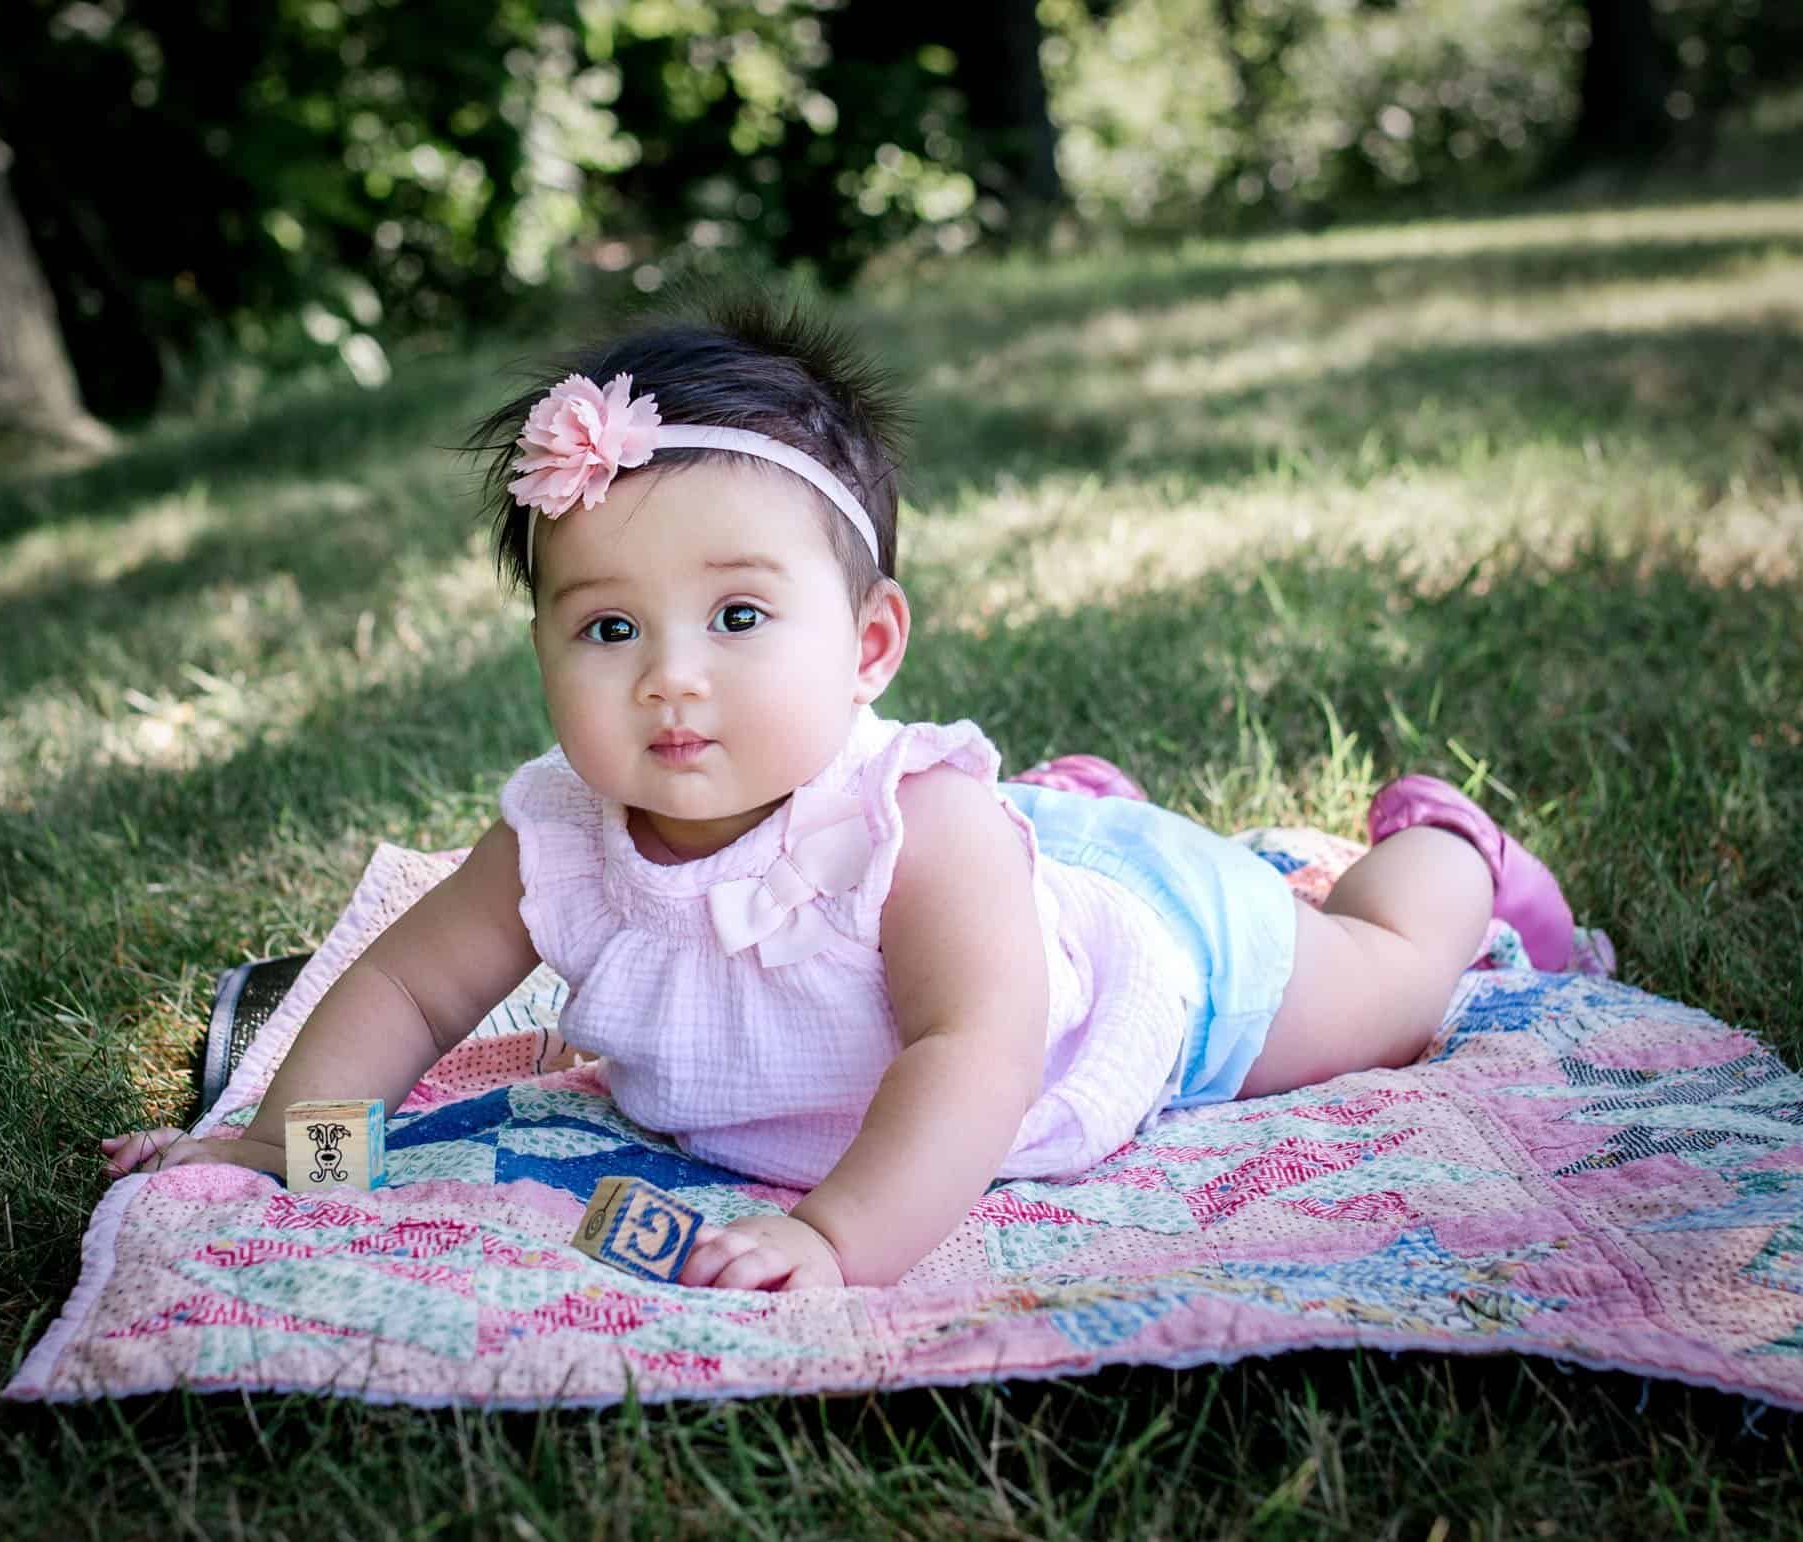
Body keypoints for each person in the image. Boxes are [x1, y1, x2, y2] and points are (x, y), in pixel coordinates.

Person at [100, 291, 1580, 1291]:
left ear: (868, 645)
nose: (669, 678)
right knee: (1010, 886)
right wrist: (285, 1145)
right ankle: (1073, 810)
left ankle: (1444, 847)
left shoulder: (908, 827)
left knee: (1383, 991)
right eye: (609, 627)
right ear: (545, 644)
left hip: (1153, 973)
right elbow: (408, 1004)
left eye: (738, 617)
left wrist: (839, 1239)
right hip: (997, 897)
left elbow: (974, 1046)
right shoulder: (559, 833)